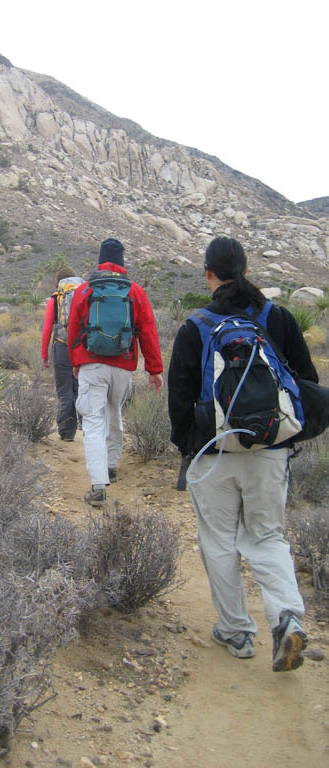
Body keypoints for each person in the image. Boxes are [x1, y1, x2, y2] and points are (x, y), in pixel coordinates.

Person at [168, 236, 318, 672]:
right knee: (268, 536)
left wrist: (188, 451)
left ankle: (236, 632)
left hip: (214, 452)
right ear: (247, 272)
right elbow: (305, 383)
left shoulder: (195, 327)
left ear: (208, 274)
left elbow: (179, 400)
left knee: (218, 542)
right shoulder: (280, 319)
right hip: (270, 450)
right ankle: (287, 617)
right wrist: (287, 439)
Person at [67, 238, 164, 506]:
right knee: (115, 413)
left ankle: (98, 485)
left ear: (100, 260)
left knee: (93, 422)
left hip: (92, 365)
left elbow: (73, 330)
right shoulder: (135, 292)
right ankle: (111, 465)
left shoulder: (85, 290)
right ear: (122, 262)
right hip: (122, 366)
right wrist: (154, 370)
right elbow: (148, 331)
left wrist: (76, 362)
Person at [41, 266, 83, 441]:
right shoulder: (84, 295)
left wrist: (44, 354)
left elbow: (47, 329)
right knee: (80, 389)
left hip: (62, 347)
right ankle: (89, 429)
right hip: (82, 349)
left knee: (64, 389)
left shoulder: (56, 299)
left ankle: (67, 432)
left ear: (59, 282)